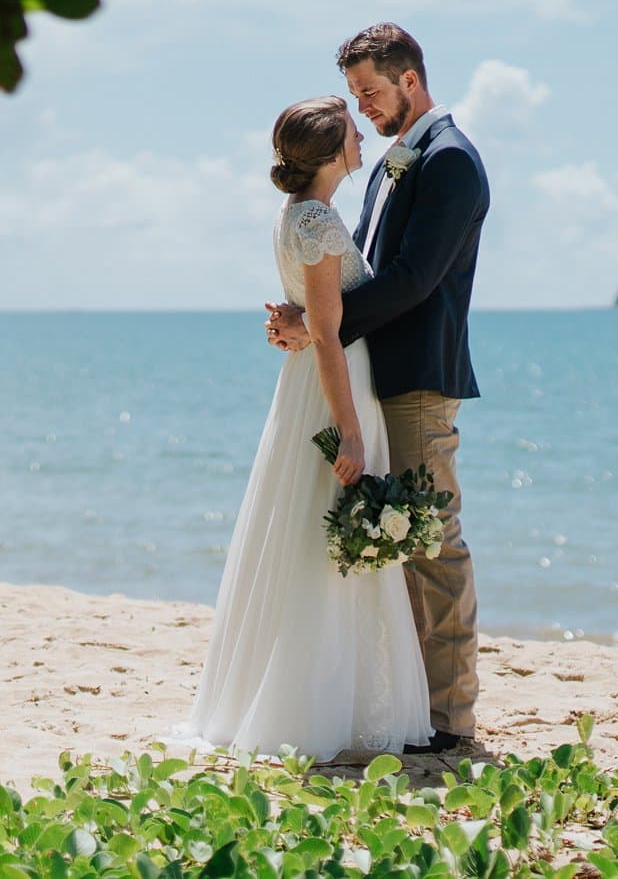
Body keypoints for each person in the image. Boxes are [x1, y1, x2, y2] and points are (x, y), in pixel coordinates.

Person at [178, 94, 433, 761]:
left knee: (304, 531)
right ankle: (317, 709)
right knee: (326, 534)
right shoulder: (317, 218)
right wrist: (349, 430)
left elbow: (311, 317)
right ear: (328, 153)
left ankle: (313, 697)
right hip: (333, 387)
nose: (361, 139)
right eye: (351, 132)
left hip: (314, 384)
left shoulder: (298, 213)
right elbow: (325, 333)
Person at [265, 23, 489, 755]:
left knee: (434, 543)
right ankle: (411, 706)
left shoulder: (448, 159)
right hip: (373, 375)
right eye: (354, 95)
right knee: (398, 543)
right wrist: (310, 322)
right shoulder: (397, 160)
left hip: (417, 375)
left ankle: (450, 717)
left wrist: (315, 326)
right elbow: (354, 269)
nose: (361, 108)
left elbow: (414, 280)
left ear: (409, 80)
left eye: (369, 92)